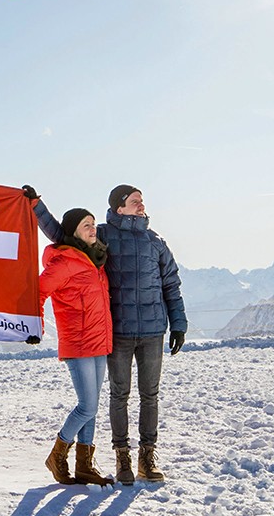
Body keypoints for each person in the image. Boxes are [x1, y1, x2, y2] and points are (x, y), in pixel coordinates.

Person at [26, 183, 185, 485]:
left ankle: (146, 457)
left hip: (152, 330)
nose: (142, 205)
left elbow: (170, 285)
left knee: (149, 396)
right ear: (118, 207)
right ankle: (122, 456)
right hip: (119, 332)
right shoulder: (104, 236)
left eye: (142, 201)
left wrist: (178, 322)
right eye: (135, 201)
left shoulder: (156, 242)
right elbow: (62, 234)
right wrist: (36, 207)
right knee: (118, 396)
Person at [37, 207, 114, 487]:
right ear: (73, 232)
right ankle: (57, 454)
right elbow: (38, 291)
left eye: (93, 224)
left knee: (92, 407)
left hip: (99, 342)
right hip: (79, 343)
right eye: (86, 225)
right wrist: (37, 329)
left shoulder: (96, 261)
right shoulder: (65, 262)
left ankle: (84, 466)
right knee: (87, 406)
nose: (93, 229)